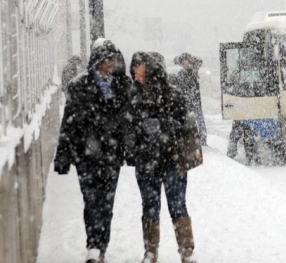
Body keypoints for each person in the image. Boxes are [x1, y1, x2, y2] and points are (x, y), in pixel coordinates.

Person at [53, 38, 130, 263]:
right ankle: (93, 245)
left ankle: (101, 244)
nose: (113, 63)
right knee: (91, 199)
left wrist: (131, 150)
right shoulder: (78, 86)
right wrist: (63, 156)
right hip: (85, 155)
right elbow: (69, 123)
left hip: (112, 154)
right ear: (99, 61)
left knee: (107, 202)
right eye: (110, 59)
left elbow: (128, 121)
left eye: (115, 59)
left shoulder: (122, 85)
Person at [126, 51, 199, 263]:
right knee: (149, 206)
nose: (135, 72)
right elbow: (127, 128)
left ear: (151, 69)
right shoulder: (133, 96)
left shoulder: (173, 95)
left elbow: (187, 126)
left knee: (178, 205)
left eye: (139, 67)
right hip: (146, 162)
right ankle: (150, 252)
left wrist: (162, 126)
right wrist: (137, 134)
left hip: (173, 161)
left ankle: (187, 251)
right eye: (134, 68)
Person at [172, 53, 207, 146]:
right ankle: (188, 139)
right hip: (185, 102)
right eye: (182, 61)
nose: (184, 63)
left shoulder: (193, 70)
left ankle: (203, 140)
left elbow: (200, 61)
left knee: (200, 121)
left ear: (189, 61)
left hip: (195, 100)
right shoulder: (179, 73)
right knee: (186, 121)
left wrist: (191, 58)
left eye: (186, 60)